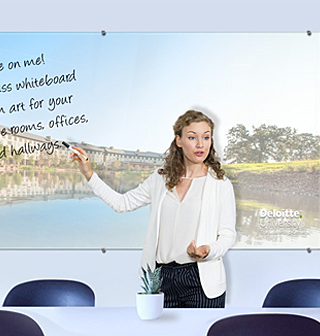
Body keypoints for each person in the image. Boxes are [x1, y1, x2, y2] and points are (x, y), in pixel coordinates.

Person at [71, 110, 236, 308]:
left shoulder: (220, 184)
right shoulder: (160, 179)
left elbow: (227, 235)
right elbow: (122, 203)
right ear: (179, 141)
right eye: (192, 137)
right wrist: (89, 174)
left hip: (201, 280)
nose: (201, 144)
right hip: (161, 278)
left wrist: (208, 250)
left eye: (206, 137)